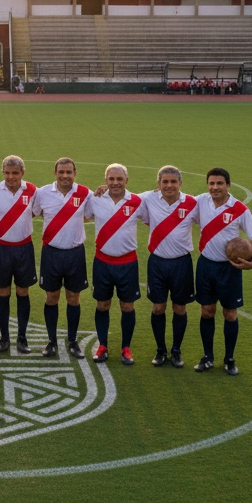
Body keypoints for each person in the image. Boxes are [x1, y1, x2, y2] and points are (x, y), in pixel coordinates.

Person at [194, 168, 252, 376]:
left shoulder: (240, 209)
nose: (215, 188)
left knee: (230, 313)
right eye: (212, 183)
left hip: (228, 269)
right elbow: (174, 197)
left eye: (220, 184)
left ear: (228, 185)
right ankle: (207, 357)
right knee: (207, 311)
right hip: (206, 265)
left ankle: (229, 359)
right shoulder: (200, 202)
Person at [31, 157, 93, 358]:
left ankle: (73, 341)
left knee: (73, 297)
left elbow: (92, 213)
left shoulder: (85, 193)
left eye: (69, 172)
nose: (65, 176)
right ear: (55, 173)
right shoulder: (42, 193)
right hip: (52, 252)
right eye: (61, 172)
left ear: (75, 173)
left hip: (75, 253)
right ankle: (51, 341)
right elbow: (34, 212)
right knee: (52, 297)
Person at [140, 166, 199, 368]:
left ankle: (176, 351)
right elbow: (124, 196)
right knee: (158, 308)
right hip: (157, 262)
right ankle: (160, 350)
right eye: (165, 182)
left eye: (173, 182)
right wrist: (105, 188)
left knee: (179, 308)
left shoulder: (192, 203)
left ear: (180, 183)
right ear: (159, 184)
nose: (169, 185)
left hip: (181, 263)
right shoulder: (148, 198)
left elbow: (209, 218)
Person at [0, 155, 37, 353]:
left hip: (24, 248)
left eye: (15, 173)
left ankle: (22, 337)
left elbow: (37, 211)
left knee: (23, 291)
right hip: (1, 248)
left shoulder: (32, 191)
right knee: (3, 291)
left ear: (22, 173)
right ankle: (4, 337)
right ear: (2, 172)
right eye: (7, 173)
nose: (11, 177)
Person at [89, 164, 144, 366]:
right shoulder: (95, 199)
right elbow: (84, 215)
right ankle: (102, 345)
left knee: (127, 306)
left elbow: (151, 215)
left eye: (119, 179)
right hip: (102, 262)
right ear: (105, 180)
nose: (115, 183)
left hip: (127, 263)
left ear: (126, 181)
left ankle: (126, 347)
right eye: (111, 179)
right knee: (102, 304)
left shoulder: (138, 201)